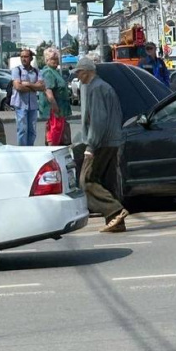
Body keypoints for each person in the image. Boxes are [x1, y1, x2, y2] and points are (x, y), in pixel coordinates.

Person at [76, 56, 129, 233]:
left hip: (101, 142)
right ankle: (116, 222)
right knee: (107, 180)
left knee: (87, 180)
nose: (78, 76)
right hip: (112, 140)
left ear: (87, 72)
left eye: (79, 72)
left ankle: (115, 210)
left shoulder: (96, 88)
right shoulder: (103, 86)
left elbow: (98, 120)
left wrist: (91, 146)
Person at [39, 47, 73, 146]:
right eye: (52, 59)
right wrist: (55, 108)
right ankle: (52, 150)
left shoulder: (55, 71)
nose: (55, 61)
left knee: (58, 131)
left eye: (56, 59)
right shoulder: (48, 72)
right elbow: (48, 92)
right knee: (54, 132)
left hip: (59, 108)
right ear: (47, 60)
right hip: (54, 109)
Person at [11, 49, 44, 146]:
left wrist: (28, 84)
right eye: (21, 57)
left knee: (32, 130)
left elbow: (42, 87)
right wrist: (34, 87)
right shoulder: (17, 70)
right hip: (20, 104)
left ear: (31, 58)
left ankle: (30, 148)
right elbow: (18, 87)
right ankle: (22, 150)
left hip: (33, 105)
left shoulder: (36, 71)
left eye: (26, 57)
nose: (23, 59)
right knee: (22, 129)